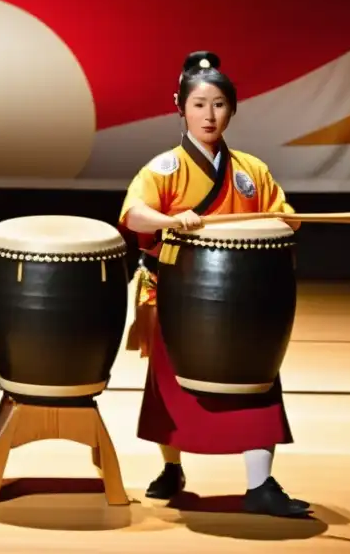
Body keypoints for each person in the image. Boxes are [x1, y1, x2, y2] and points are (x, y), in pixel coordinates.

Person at [119, 50, 310, 517]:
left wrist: (286, 221)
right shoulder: (165, 168)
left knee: (256, 382)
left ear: (233, 109)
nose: (210, 114)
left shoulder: (251, 170)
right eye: (200, 104)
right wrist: (169, 218)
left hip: (243, 296)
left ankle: (260, 484)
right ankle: (172, 467)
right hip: (180, 292)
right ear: (180, 107)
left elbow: (283, 216)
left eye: (220, 104)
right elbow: (133, 213)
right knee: (171, 385)